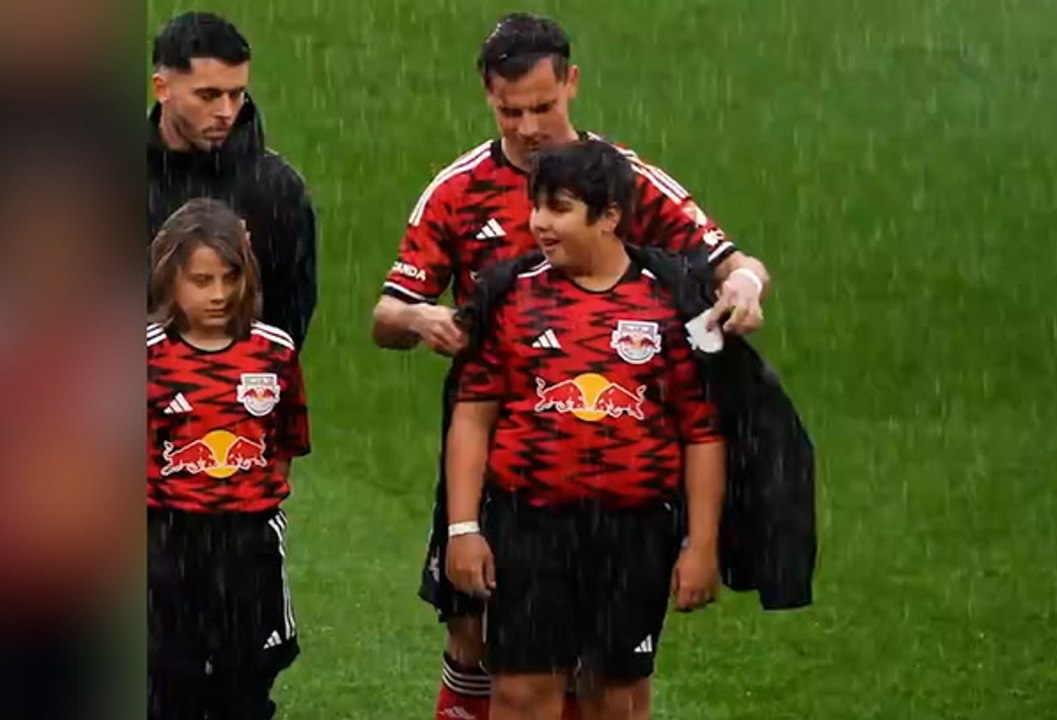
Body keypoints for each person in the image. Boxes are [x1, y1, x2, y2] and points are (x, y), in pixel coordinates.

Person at [370, 14, 773, 719]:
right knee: (474, 632)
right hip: (500, 444)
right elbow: (387, 313)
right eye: (510, 112)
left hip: (620, 468)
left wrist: (744, 285)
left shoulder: (622, 181)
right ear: (488, 96)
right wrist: (418, 319)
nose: (528, 127)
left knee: (604, 675)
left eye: (542, 107)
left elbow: (731, 261)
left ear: (572, 84)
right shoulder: (458, 190)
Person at [446, 140, 724, 720]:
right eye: (536, 206)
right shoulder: (509, 294)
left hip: (634, 533)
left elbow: (702, 432)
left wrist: (701, 545)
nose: (539, 223)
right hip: (529, 526)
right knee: (521, 694)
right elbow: (472, 415)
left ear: (610, 216)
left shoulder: (671, 301)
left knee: (615, 699)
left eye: (560, 208)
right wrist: (463, 528)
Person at [146, 198, 310, 720]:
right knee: (166, 684)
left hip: (247, 543)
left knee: (246, 686)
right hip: (166, 540)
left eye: (230, 277)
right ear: (168, 277)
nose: (218, 294)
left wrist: (247, 503)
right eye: (201, 280)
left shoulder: (275, 353)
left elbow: (285, 444)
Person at [148, 11, 318, 351]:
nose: (226, 112)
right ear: (162, 89)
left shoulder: (278, 190)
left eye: (236, 94)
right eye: (208, 96)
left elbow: (289, 317)